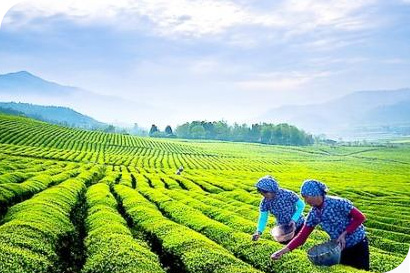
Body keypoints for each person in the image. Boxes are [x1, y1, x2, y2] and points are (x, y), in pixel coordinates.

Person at [271, 179, 369, 271]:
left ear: (315, 194)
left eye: (306, 197)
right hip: (340, 247)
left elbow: (360, 217)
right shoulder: (314, 214)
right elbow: (302, 236)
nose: (305, 201)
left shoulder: (338, 203)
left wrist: (344, 233)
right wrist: (282, 252)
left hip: (358, 243)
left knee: (362, 270)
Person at [252, 175, 305, 244]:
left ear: (272, 190)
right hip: (283, 229)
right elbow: (263, 218)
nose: (264, 196)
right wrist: (258, 231)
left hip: (299, 224)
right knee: (286, 248)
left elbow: (301, 206)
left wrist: (293, 220)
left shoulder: (288, 194)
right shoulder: (265, 202)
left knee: (299, 244)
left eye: (265, 193)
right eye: (262, 194)